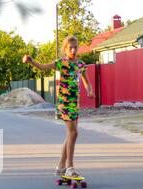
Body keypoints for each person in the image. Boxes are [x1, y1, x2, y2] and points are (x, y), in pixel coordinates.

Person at [22, 35, 95, 178]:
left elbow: (87, 81)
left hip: (74, 102)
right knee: (74, 133)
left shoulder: (80, 64)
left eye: (75, 47)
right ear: (65, 49)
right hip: (64, 102)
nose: (73, 50)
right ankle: (70, 167)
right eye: (70, 48)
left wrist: (90, 90)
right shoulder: (61, 62)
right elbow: (43, 67)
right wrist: (31, 61)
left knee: (71, 134)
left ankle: (61, 166)